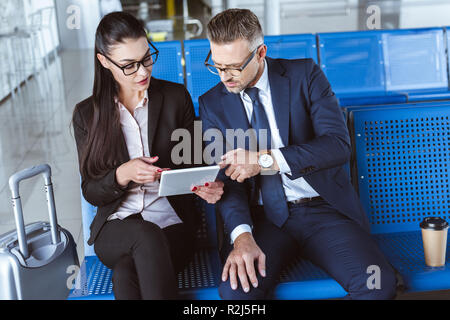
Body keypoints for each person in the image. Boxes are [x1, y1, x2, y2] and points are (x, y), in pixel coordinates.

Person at [199, 9, 397, 300]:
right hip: (263, 220)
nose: (225, 76)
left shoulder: (304, 74)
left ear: (260, 53)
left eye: (234, 67)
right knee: (235, 293)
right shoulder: (213, 103)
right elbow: (227, 181)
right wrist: (242, 236)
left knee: (377, 284)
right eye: (217, 66)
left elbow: (338, 144)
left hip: (324, 211)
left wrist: (265, 160)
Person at [72, 12, 224, 300]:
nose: (142, 72)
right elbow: (91, 191)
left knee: (125, 274)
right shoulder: (87, 115)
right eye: (129, 66)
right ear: (104, 62)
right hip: (116, 228)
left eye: (146, 58)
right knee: (144, 235)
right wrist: (122, 174)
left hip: (171, 223)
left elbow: (196, 162)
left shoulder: (175, 98)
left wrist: (207, 185)